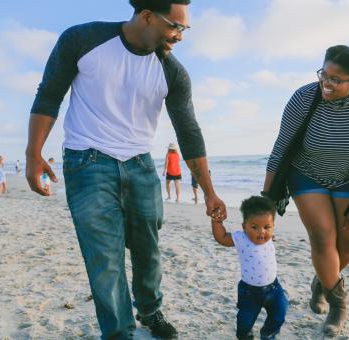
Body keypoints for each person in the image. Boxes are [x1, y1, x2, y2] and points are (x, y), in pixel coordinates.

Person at [25, 0, 227, 338]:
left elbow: (188, 131)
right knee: (104, 257)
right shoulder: (83, 39)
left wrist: (209, 191)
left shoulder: (172, 72)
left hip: (141, 166)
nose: (179, 36)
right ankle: (118, 332)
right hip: (87, 163)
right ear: (146, 16)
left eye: (184, 29)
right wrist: (34, 154)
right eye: (174, 26)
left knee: (148, 249)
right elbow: (49, 95)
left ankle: (149, 309)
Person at [263, 45, 349, 336]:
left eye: (335, 79)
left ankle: (322, 281)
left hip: (346, 180)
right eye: (323, 74)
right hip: (306, 175)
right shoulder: (305, 97)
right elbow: (281, 147)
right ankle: (338, 304)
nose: (326, 83)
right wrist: (266, 200)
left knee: (348, 241)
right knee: (322, 237)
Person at [211, 196, 289, 340]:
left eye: (267, 227)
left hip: (274, 288)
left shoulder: (269, 237)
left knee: (280, 312)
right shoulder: (241, 238)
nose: (261, 232)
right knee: (244, 322)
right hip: (250, 293)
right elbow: (221, 237)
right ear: (244, 227)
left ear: (273, 227)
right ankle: (245, 336)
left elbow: (267, 230)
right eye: (254, 227)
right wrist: (217, 222)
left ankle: (268, 335)